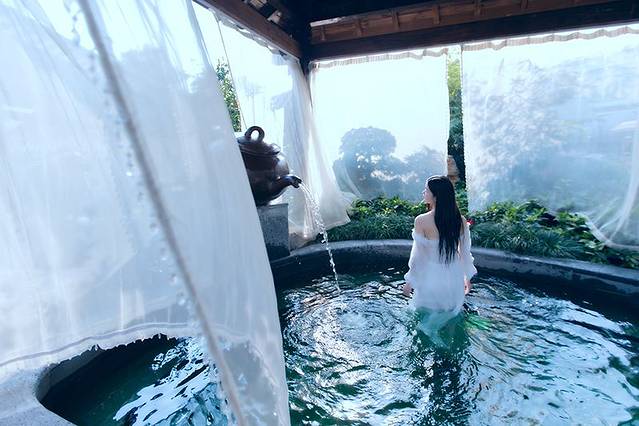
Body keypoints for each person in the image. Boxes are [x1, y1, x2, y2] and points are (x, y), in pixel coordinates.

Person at [402, 175, 477, 327]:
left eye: (426, 190)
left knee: (424, 321)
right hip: (454, 277)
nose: (423, 192)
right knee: (451, 321)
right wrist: (467, 279)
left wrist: (410, 282)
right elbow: (464, 253)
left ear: (436, 196)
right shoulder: (460, 220)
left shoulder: (421, 221)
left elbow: (418, 257)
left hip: (431, 277)